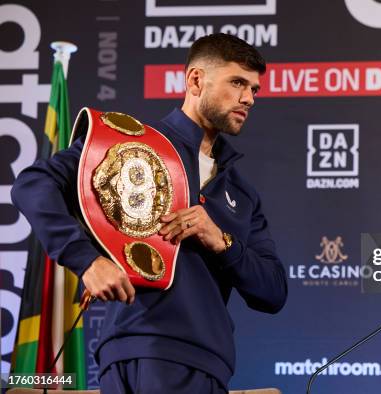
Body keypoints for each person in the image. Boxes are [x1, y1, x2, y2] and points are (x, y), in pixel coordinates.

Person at [11, 33, 288, 393]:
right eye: (237, 83)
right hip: (136, 347)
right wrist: (88, 262)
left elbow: (273, 291)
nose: (248, 98)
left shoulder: (241, 192)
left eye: (253, 89)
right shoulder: (129, 142)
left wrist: (221, 240)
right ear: (195, 80)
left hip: (207, 363)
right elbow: (32, 184)